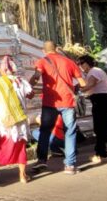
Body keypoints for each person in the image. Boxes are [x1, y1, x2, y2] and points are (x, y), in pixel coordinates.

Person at [31, 40, 83, 175]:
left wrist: (28, 86)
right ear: (57, 49)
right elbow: (83, 82)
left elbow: (35, 78)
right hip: (68, 102)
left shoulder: (41, 62)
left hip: (50, 103)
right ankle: (70, 165)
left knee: (44, 131)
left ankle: (41, 160)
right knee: (70, 132)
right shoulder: (69, 62)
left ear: (43, 51)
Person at [0, 56, 34, 184]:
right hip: (18, 120)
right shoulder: (21, 81)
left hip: (1, 122)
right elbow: (31, 95)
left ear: (2, 70)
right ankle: (22, 176)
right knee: (20, 147)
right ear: (14, 69)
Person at [78, 55, 107, 163]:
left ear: (87, 63)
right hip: (105, 98)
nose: (81, 66)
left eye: (81, 64)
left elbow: (91, 84)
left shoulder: (94, 71)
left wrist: (79, 91)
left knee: (99, 128)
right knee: (105, 127)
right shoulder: (97, 71)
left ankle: (101, 154)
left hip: (101, 100)